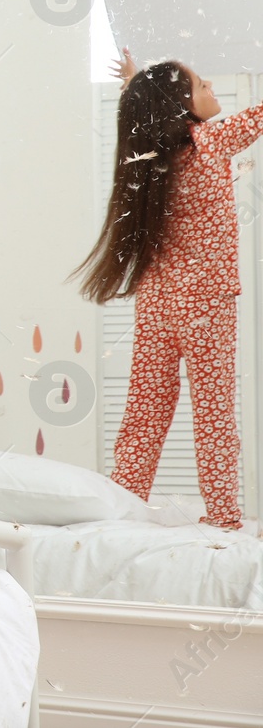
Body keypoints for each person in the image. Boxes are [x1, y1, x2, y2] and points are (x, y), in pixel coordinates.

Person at [76, 49, 258, 530]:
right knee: (214, 412)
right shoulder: (211, 143)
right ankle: (223, 519)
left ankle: (121, 509)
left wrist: (138, 85)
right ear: (182, 107)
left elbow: (149, 117)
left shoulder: (151, 161)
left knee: (145, 410)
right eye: (201, 86)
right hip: (206, 304)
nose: (212, 89)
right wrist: (143, 86)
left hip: (159, 302)